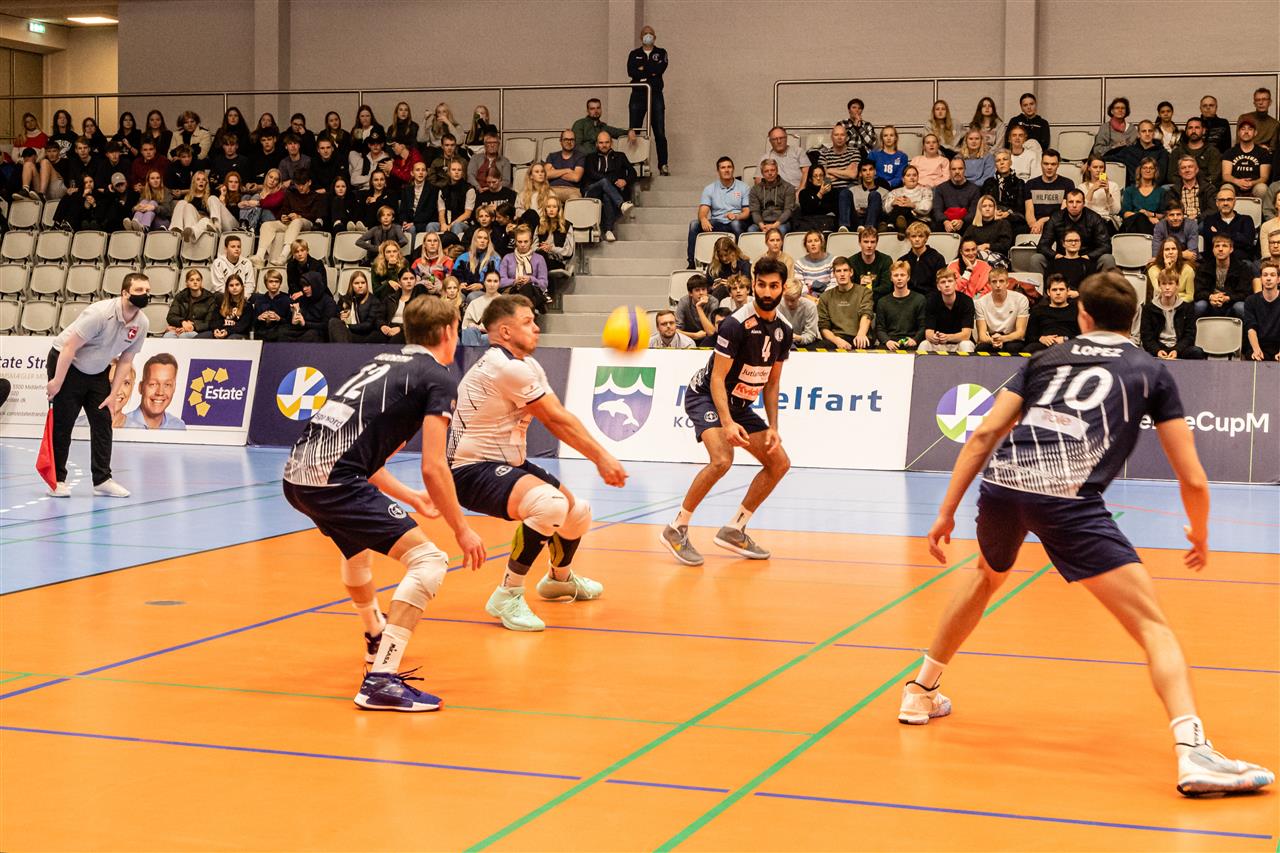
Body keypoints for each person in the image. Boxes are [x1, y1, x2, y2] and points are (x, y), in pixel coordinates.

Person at [902, 270, 1276, 795]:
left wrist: (945, 512)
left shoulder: (1045, 359)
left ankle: (920, 690)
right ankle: (1194, 752)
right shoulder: (1149, 370)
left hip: (1004, 487)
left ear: (1082, 316)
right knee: (1153, 627)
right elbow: (1192, 476)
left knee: (986, 575)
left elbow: (984, 433)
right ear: (1134, 318)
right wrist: (1199, 531)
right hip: (1068, 498)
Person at [284, 294, 485, 711]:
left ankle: (375, 636)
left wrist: (410, 498)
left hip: (297, 476)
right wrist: (462, 529)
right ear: (448, 331)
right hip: (333, 482)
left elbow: (360, 454)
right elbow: (434, 466)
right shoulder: (438, 376)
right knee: (429, 561)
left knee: (356, 550)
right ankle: (381, 679)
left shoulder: (383, 362)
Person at [449, 295, 627, 631]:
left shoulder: (526, 364)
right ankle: (508, 594)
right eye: (528, 321)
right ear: (505, 331)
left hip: (506, 463)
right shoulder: (504, 366)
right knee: (549, 504)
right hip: (469, 471)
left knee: (577, 512)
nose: (536, 327)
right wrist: (601, 457)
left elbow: (559, 413)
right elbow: (555, 421)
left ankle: (559, 580)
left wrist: (600, 456)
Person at [660, 259, 792, 566]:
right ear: (753, 284)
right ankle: (676, 527)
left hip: (740, 403)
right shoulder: (735, 325)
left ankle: (735, 528)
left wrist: (773, 426)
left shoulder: (784, 330)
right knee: (722, 459)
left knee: (779, 463)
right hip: (706, 395)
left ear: (783, 288)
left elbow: (772, 383)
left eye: (774, 286)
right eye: (762, 285)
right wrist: (728, 423)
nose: (767, 292)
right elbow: (717, 379)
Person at [44, 272, 151, 498]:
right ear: (125, 293)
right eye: (139, 290)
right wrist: (56, 382)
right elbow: (69, 348)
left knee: (103, 421)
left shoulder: (142, 323)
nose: (145, 295)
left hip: (97, 370)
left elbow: (126, 360)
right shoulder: (100, 314)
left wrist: (113, 394)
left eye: (147, 291)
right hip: (67, 364)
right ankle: (57, 480)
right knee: (64, 423)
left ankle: (102, 480)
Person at [1032, 189, 1115, 276]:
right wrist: (1057, 256)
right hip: (1062, 259)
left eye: (1078, 202)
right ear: (1066, 204)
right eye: (1071, 202)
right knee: (1036, 258)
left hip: (1088, 260)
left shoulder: (1094, 218)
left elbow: (1106, 246)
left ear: (1083, 204)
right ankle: (1040, 285)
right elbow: (1042, 246)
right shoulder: (1056, 218)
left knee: (1108, 259)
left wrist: (1088, 256)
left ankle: (1104, 285)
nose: (1074, 205)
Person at [686, 156, 750, 268]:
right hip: (718, 222)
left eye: (729, 167)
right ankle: (692, 263)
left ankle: (740, 262)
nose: (726, 170)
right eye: (723, 167)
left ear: (733, 169)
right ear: (718, 171)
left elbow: (747, 212)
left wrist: (736, 216)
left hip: (737, 222)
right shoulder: (709, 189)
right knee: (694, 224)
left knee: (735, 224)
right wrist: (703, 218)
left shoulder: (744, 187)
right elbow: (703, 210)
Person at [627, 25, 668, 174]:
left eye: (651, 33)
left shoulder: (661, 53)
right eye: (645, 33)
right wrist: (651, 71)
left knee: (659, 132)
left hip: (656, 94)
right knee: (634, 130)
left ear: (655, 37)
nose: (648, 36)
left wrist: (643, 69)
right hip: (638, 94)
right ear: (641, 37)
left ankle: (663, 165)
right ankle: (633, 163)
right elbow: (631, 72)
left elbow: (660, 69)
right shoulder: (634, 54)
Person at [583, 131, 636, 243]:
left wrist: (625, 181)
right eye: (601, 143)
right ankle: (621, 204)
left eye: (606, 142)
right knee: (603, 181)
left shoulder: (620, 156)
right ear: (597, 144)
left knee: (607, 196)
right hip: (593, 190)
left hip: (611, 191)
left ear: (611, 143)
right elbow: (592, 174)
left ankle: (608, 231)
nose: (604, 145)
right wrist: (614, 180)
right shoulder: (590, 157)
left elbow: (633, 172)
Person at [1141, 269, 1205, 360]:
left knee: (1197, 352)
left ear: (1177, 285)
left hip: (1180, 348)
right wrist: (1157, 351)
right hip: (1158, 348)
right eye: (1164, 284)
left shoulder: (1187, 308)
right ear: (1159, 285)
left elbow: (1189, 335)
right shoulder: (1149, 309)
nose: (1167, 287)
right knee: (1141, 355)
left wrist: (1176, 350)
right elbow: (1146, 336)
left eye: (1170, 283)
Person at [818, 256, 874, 350]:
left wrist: (861, 334)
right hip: (837, 338)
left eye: (845, 270)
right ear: (834, 274)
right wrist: (836, 340)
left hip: (859, 336)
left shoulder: (864, 292)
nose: (842, 274)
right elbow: (823, 326)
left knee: (863, 344)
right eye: (838, 271)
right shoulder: (825, 296)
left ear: (851, 272)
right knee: (818, 347)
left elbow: (866, 314)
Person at [917, 268, 976, 353]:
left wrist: (948, 337)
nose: (947, 285)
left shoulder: (966, 301)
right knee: (924, 344)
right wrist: (934, 337)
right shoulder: (931, 301)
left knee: (966, 345)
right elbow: (928, 333)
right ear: (938, 286)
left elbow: (966, 335)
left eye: (950, 281)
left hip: (959, 343)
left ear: (955, 283)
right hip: (938, 344)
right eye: (943, 282)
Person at [1193, 234, 1250, 319]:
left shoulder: (1242, 268)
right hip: (1210, 303)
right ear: (1213, 250)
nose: (1220, 249)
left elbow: (1245, 293)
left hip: (1231, 303)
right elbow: (1198, 292)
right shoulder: (1204, 268)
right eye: (1217, 246)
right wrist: (1211, 297)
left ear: (1231, 249)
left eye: (1224, 246)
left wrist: (1227, 298)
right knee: (1200, 305)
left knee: (1240, 307)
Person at [122, 353, 185, 430]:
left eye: (167, 385)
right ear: (141, 387)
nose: (160, 392)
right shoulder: (123, 425)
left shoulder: (178, 427)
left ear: (174, 388)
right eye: (153, 384)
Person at [874, 260, 927, 351]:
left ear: (908, 277)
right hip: (889, 344)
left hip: (911, 343)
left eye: (902, 275)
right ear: (891, 278)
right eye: (896, 275)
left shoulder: (919, 299)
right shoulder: (882, 302)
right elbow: (879, 328)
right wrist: (887, 341)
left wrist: (915, 340)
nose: (899, 278)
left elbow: (923, 326)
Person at [973, 267, 1028, 353]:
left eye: (1001, 281)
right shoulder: (980, 302)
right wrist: (993, 341)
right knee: (981, 348)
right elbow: (982, 336)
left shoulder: (1021, 299)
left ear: (1007, 283)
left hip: (1012, 338)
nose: (998, 285)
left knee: (1013, 348)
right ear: (989, 284)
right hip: (991, 338)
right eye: (994, 282)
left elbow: (1020, 333)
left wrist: (1003, 339)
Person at [1022, 274, 1079, 352]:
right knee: (1028, 349)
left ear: (1068, 291)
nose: (1058, 293)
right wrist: (1041, 338)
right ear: (1048, 292)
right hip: (1043, 345)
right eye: (1054, 290)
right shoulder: (1038, 311)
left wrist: (1066, 339)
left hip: (1069, 345)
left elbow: (1084, 335)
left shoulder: (1077, 310)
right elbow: (1029, 336)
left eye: (1061, 289)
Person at [817, 125, 859, 229]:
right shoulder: (824, 154)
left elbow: (853, 174)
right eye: (836, 135)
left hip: (851, 191)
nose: (839, 138)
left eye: (842, 135)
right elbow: (824, 178)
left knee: (845, 193)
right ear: (831, 137)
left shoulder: (854, 152)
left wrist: (830, 170)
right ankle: (844, 227)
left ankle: (844, 227)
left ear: (847, 137)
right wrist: (845, 172)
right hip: (831, 191)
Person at [1221, 116, 1271, 203]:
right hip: (1234, 184)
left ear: (1255, 133)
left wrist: (1251, 183)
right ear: (1238, 133)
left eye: (1250, 129)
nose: (1246, 132)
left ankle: (1263, 212)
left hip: (1255, 185)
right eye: (1243, 129)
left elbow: (1264, 177)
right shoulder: (1229, 152)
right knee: (1225, 188)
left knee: (1262, 188)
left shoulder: (1263, 153)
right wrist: (1237, 181)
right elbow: (1226, 175)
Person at [1024, 149, 1074, 234]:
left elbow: (1063, 213)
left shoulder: (1067, 184)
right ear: (1041, 164)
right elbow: (1029, 212)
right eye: (1046, 164)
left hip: (1058, 225)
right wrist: (1034, 226)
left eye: (1053, 164)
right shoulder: (1030, 184)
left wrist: (1043, 220)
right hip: (1035, 226)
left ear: (1058, 165)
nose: (1049, 167)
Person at [329, 270, 384, 344]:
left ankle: (345, 349)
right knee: (333, 321)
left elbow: (368, 325)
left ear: (367, 284)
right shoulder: (344, 299)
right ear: (351, 285)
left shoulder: (374, 301)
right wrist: (340, 316)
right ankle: (345, 348)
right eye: (356, 283)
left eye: (363, 283)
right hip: (347, 334)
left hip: (365, 336)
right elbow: (335, 314)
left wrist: (348, 326)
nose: (360, 286)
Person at [1166, 117, 1221, 188]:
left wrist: (1197, 185)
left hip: (1206, 187)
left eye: (1197, 128)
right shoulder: (1177, 151)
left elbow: (1215, 176)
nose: (1193, 131)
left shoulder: (1212, 151)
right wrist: (1187, 184)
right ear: (1186, 131)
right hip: (1181, 187)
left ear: (1203, 130)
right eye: (1190, 128)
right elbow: (1171, 176)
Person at [1201, 185, 1256, 257]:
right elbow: (1210, 241)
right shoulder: (1209, 220)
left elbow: (1247, 242)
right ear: (1217, 203)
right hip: (1215, 260)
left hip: (1241, 260)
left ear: (1234, 202)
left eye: (1229, 199)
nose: (1225, 203)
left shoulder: (1246, 220)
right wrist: (1237, 235)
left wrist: (1218, 233)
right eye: (1222, 200)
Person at [378, 269, 429, 344]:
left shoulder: (419, 299)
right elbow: (379, 316)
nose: (409, 281)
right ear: (399, 281)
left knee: (394, 341)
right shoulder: (390, 298)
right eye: (405, 279)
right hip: (389, 328)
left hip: (407, 330)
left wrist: (400, 328)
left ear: (415, 281)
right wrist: (382, 326)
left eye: (411, 278)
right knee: (372, 339)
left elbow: (421, 321)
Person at [1119, 157, 1167, 235]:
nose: (1148, 170)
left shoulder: (1161, 191)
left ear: (1155, 171)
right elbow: (1125, 213)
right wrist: (1145, 216)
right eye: (1145, 168)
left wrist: (1151, 214)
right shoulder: (1129, 190)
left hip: (1152, 226)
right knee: (1140, 218)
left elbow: (1163, 215)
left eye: (1151, 168)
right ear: (1140, 170)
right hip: (1132, 225)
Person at [748, 158, 796, 234]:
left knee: (781, 230)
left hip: (781, 223)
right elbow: (755, 211)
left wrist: (775, 225)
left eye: (772, 170)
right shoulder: (755, 189)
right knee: (751, 230)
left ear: (777, 171)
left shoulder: (788, 187)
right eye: (766, 171)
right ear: (762, 173)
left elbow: (788, 210)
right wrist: (762, 226)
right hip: (762, 223)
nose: (770, 173)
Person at [933, 158, 981, 234]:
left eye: (960, 168)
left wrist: (962, 221)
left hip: (966, 226)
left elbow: (973, 211)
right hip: (944, 226)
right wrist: (945, 222)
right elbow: (937, 210)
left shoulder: (974, 189)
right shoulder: (940, 188)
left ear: (965, 170)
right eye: (953, 169)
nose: (957, 172)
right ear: (949, 171)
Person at [164, 269, 215, 338]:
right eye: (191, 280)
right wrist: (183, 322)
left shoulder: (210, 298)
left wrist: (192, 326)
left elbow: (209, 322)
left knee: (184, 336)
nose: (195, 282)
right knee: (168, 336)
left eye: (198, 280)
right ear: (187, 283)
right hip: (181, 327)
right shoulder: (180, 297)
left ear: (201, 282)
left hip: (199, 330)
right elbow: (171, 316)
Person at [1244, 261, 1280, 360]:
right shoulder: (1251, 300)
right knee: (1254, 358)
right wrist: (1256, 350)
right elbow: (1251, 328)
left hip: (1278, 346)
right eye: (1265, 275)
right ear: (1261, 279)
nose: (1268, 278)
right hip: (1259, 346)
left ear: (1278, 279)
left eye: (1272, 275)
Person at [901, 221, 947, 295]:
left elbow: (941, 284)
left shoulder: (937, 258)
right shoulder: (903, 260)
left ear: (926, 238)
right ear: (909, 238)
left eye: (921, 236)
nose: (917, 239)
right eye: (913, 236)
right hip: (908, 297)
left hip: (930, 297)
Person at [883, 164, 934, 233]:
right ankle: (897, 227)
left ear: (918, 177)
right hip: (898, 220)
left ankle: (890, 225)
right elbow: (886, 210)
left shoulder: (926, 190)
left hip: (920, 221)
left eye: (914, 175)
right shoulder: (895, 192)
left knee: (904, 207)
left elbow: (926, 208)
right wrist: (892, 204)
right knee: (900, 206)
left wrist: (912, 205)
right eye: (908, 175)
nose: (912, 177)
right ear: (903, 179)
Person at [200, 274, 252, 339]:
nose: (234, 287)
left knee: (231, 338)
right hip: (221, 331)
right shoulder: (221, 303)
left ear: (242, 287)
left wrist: (227, 331)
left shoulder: (247, 305)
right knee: (200, 337)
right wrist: (216, 330)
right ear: (227, 288)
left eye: (237, 285)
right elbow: (213, 321)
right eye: (231, 285)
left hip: (238, 334)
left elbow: (242, 326)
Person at [964, 194, 1014, 260]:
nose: (987, 209)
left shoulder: (1003, 224)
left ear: (994, 208)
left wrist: (988, 246)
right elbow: (964, 246)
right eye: (984, 206)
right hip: (975, 257)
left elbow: (1005, 245)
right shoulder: (972, 228)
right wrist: (976, 248)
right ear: (979, 209)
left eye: (990, 206)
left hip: (998, 258)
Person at [1147, 236, 1196, 303]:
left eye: (1173, 249)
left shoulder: (1188, 270)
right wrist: (1167, 270)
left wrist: (1175, 302)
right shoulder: (1153, 270)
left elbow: (1190, 296)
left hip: (1181, 305)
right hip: (1161, 304)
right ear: (1162, 253)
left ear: (1178, 252)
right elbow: (1160, 292)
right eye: (1167, 249)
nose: (1170, 252)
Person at [792, 164, 839, 232]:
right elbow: (808, 211)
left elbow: (833, 211)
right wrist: (820, 193)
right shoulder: (804, 193)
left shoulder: (832, 192)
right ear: (810, 179)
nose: (818, 178)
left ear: (824, 177)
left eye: (821, 175)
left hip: (827, 224)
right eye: (815, 176)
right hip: (809, 225)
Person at [851, 226, 893, 302]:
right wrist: (860, 287)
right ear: (860, 243)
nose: (869, 246)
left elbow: (887, 287)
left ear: (876, 243)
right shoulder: (851, 261)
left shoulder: (886, 260)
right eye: (866, 242)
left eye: (873, 242)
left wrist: (866, 290)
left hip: (880, 301)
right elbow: (849, 288)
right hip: (857, 301)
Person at [1079, 155, 1121, 228]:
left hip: (1106, 220)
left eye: (1101, 167)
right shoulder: (1082, 187)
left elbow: (1116, 211)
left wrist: (1107, 193)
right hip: (1088, 220)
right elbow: (1081, 210)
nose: (1098, 170)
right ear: (1089, 168)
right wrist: (1092, 190)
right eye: (1095, 167)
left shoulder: (1113, 185)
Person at [545, 129, 585, 202]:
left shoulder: (580, 156)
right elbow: (546, 174)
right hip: (552, 189)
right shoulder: (552, 156)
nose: (569, 142)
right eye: (566, 139)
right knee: (546, 198)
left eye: (572, 139)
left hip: (572, 190)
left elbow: (576, 178)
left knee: (575, 200)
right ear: (561, 141)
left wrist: (554, 171)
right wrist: (567, 170)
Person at [250, 269, 291, 341]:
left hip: (280, 335)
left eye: (276, 281)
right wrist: (259, 318)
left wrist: (279, 319)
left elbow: (291, 324)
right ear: (266, 283)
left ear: (280, 283)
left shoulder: (287, 300)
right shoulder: (259, 301)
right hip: (263, 334)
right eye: (271, 281)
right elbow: (253, 324)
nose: (274, 284)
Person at [675, 273, 717, 342]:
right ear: (690, 293)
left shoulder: (713, 302)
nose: (701, 293)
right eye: (697, 290)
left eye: (703, 289)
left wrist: (699, 307)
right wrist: (694, 336)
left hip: (708, 338)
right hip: (688, 338)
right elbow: (676, 330)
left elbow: (711, 332)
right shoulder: (684, 302)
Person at [778, 279, 820, 347]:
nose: (789, 303)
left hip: (806, 343)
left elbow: (811, 334)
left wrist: (798, 338)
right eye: (786, 299)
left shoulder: (810, 307)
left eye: (793, 300)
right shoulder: (777, 305)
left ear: (799, 296)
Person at [793, 230, 835, 297]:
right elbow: (800, 286)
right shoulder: (799, 264)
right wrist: (811, 298)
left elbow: (834, 284)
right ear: (805, 245)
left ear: (822, 243)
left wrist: (823, 299)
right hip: (807, 298)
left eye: (816, 241)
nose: (813, 244)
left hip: (828, 297)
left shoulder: (833, 261)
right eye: (809, 241)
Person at [1237, 88, 1278, 152]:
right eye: (1257, 100)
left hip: (1264, 154)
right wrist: (1258, 147)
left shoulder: (1275, 124)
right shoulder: (1243, 118)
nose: (1261, 103)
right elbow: (1238, 144)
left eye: (1264, 99)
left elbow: (1273, 148)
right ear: (1254, 103)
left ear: (1270, 102)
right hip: (1244, 152)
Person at [850, 161, 885, 230]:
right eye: (864, 170)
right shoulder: (852, 191)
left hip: (875, 224)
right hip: (856, 222)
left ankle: (868, 229)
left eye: (871, 169)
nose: (868, 173)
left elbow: (885, 213)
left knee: (875, 195)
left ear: (875, 172)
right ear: (860, 174)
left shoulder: (884, 192)